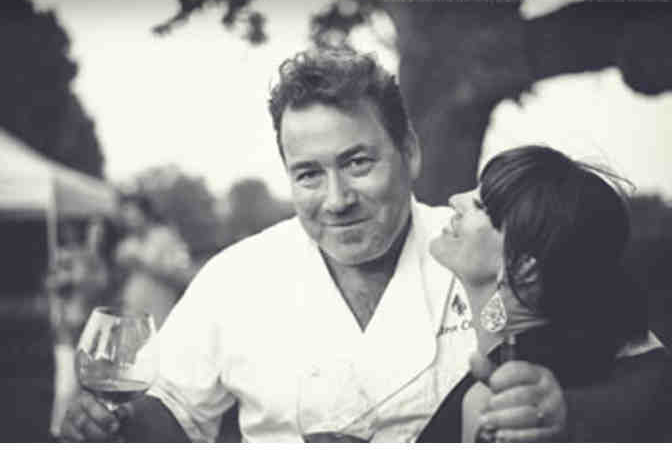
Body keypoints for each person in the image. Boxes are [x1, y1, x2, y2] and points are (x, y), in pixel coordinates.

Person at [61, 46, 668, 443]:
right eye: (308, 174)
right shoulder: (236, 278)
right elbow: (171, 413)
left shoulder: (487, 248)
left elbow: (653, 381)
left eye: (357, 163)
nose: (336, 199)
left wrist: (569, 415)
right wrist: (110, 424)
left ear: (409, 153)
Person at [417, 145, 671, 442]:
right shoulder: (597, 351)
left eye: (479, 206)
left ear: (523, 267)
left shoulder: (497, 404)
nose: (454, 200)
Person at [114, 193, 192, 329]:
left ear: (146, 214)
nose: (129, 219)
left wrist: (142, 264)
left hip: (159, 314)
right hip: (132, 313)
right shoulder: (127, 244)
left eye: (133, 213)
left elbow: (181, 277)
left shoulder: (166, 237)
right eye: (126, 215)